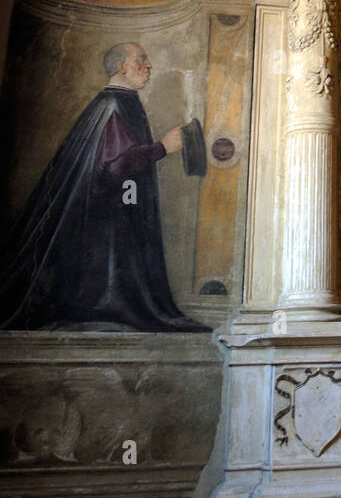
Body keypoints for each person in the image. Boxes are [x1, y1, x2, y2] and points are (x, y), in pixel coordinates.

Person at [0, 43, 208, 332]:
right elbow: (117, 164)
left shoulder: (120, 101)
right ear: (121, 66)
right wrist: (162, 148)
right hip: (104, 217)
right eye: (141, 60)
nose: (148, 65)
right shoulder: (113, 104)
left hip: (116, 207)